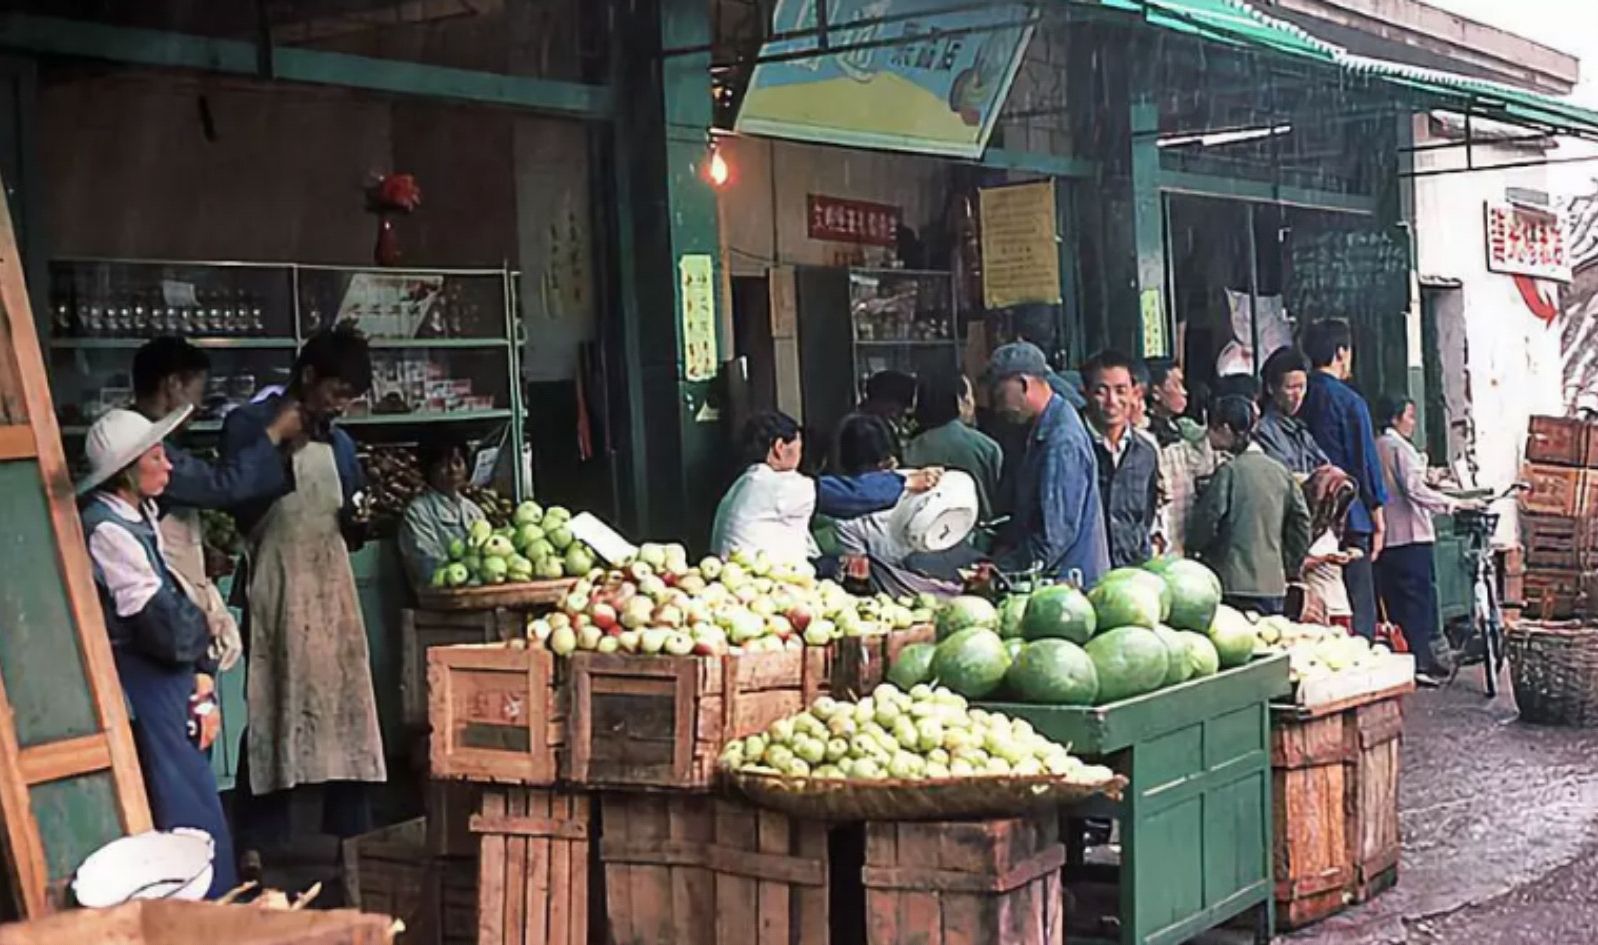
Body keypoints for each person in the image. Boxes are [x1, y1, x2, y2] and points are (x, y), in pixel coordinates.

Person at [225, 325, 385, 842]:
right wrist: (278, 444)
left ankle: (352, 838)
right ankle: (260, 842)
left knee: (347, 709)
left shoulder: (341, 443)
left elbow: (351, 517)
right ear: (309, 375)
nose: (341, 406)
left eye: (350, 398)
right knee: (273, 706)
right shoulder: (249, 425)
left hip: (331, 589)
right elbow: (238, 505)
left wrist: (359, 523)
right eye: (337, 392)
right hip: (277, 587)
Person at [78, 406, 237, 898]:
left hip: (173, 674)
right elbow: (163, 626)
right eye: (155, 457)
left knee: (195, 787)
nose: (167, 465)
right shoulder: (107, 529)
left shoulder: (139, 516)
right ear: (127, 471)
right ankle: (203, 905)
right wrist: (200, 643)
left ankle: (217, 900)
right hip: (147, 675)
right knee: (183, 798)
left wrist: (202, 676)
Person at [131, 337, 303, 678]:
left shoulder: (152, 440)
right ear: (173, 385)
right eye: (197, 392)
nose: (199, 405)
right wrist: (273, 434)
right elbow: (220, 486)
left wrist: (200, 551)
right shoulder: (144, 445)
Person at [710, 411, 941, 565]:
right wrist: (908, 481)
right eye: (799, 449)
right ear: (780, 447)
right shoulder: (776, 485)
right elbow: (852, 495)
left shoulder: (744, 485)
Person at [986, 342, 1109, 584]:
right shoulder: (1043, 428)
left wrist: (1001, 570)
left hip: (1069, 584)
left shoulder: (1062, 441)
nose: (998, 408)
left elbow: (1054, 537)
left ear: (1023, 384)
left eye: (1000, 396)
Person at [1297, 319, 1388, 640]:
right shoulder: (1349, 402)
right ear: (1340, 352)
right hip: (1350, 516)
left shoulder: (1300, 396)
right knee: (1357, 604)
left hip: (1307, 516)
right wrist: (1378, 517)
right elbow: (1365, 462)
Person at [1187, 396, 1312, 616]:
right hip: (1273, 584)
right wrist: (1287, 564)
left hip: (1231, 583)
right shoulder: (1281, 472)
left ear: (1226, 429)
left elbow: (1208, 520)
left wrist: (1196, 551)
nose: (1208, 436)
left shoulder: (1229, 472)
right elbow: (1301, 524)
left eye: (1212, 429)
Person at [1375, 395, 1467, 685]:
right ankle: (1418, 661)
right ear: (1395, 418)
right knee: (1416, 603)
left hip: (1389, 537)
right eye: (1409, 416)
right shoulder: (1399, 448)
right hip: (1411, 535)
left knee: (1398, 602)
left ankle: (1410, 659)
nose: (1413, 423)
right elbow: (1415, 489)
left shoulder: (1378, 446)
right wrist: (1450, 504)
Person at [831, 414, 962, 599]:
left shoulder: (846, 515)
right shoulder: (922, 481)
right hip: (951, 587)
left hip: (900, 598)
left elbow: (859, 577)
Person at [1082, 350, 1160, 568]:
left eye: (1120, 391)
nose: (1112, 401)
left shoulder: (1145, 453)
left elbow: (1145, 517)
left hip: (1130, 573)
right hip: (1084, 573)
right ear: (1085, 393)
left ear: (1135, 393)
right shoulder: (1075, 446)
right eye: (1101, 391)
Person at [905, 370, 1004, 521]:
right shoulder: (987, 447)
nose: (973, 404)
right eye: (969, 397)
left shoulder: (908, 449)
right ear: (958, 401)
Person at [1144, 359, 1219, 557]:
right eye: (1176, 385)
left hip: (1181, 540)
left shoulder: (1178, 431)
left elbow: (1202, 469)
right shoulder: (1145, 439)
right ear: (1156, 392)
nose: (1184, 392)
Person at [399, 430, 487, 593]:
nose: (453, 470)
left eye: (458, 462)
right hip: (439, 599)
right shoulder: (418, 512)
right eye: (443, 465)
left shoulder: (474, 511)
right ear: (428, 469)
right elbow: (426, 567)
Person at [1255, 347, 1332, 477]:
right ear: (1271, 388)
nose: (1298, 395)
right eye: (1291, 387)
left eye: (1302, 387)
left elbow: (1325, 465)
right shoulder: (1263, 431)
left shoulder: (1301, 431)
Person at [1297, 466, 1359, 629]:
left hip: (1339, 602)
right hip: (1317, 603)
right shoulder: (1304, 527)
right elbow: (1297, 564)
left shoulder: (1334, 527)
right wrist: (1325, 558)